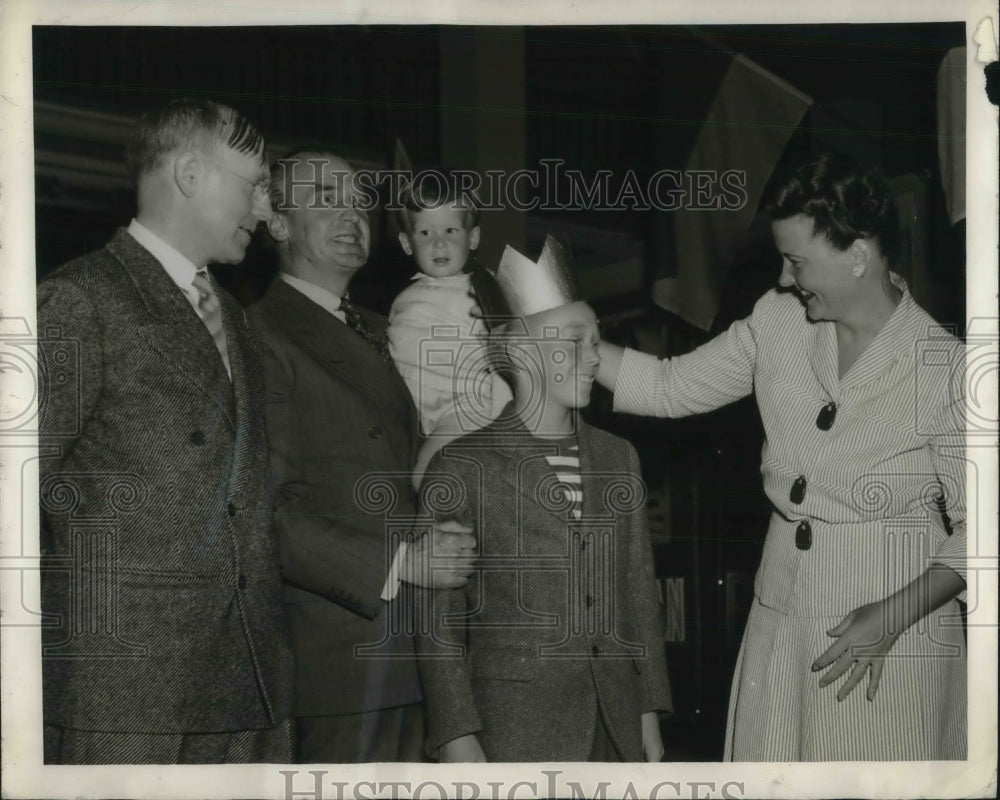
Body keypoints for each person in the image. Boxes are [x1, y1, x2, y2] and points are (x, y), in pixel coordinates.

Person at [595, 151, 967, 761]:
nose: (784, 280)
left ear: (858, 256)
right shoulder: (779, 322)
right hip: (783, 611)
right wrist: (578, 345)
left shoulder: (946, 368)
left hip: (890, 634)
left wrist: (891, 618)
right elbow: (669, 386)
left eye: (796, 261)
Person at [36, 98, 293, 764]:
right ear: (188, 174)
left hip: (248, 684)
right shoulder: (81, 297)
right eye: (253, 185)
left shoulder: (236, 319)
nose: (266, 209)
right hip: (126, 692)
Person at [247, 149, 477, 763]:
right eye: (324, 198)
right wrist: (402, 563)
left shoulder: (393, 325)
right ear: (276, 221)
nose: (350, 213)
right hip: (346, 666)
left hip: (433, 652)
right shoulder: (257, 337)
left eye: (357, 200)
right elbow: (261, 514)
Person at [414, 267, 672, 762]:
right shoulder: (462, 466)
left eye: (597, 340)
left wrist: (649, 708)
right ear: (517, 351)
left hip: (615, 721)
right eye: (575, 341)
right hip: (513, 726)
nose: (595, 357)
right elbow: (437, 619)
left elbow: (638, 591)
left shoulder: (619, 457)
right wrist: (455, 734)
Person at [387, 169, 512, 488]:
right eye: (425, 233)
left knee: (424, 478)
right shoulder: (404, 298)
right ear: (405, 243)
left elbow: (509, 344)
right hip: (419, 417)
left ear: (473, 237)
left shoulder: (483, 291)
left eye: (451, 230)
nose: (439, 242)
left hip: (469, 410)